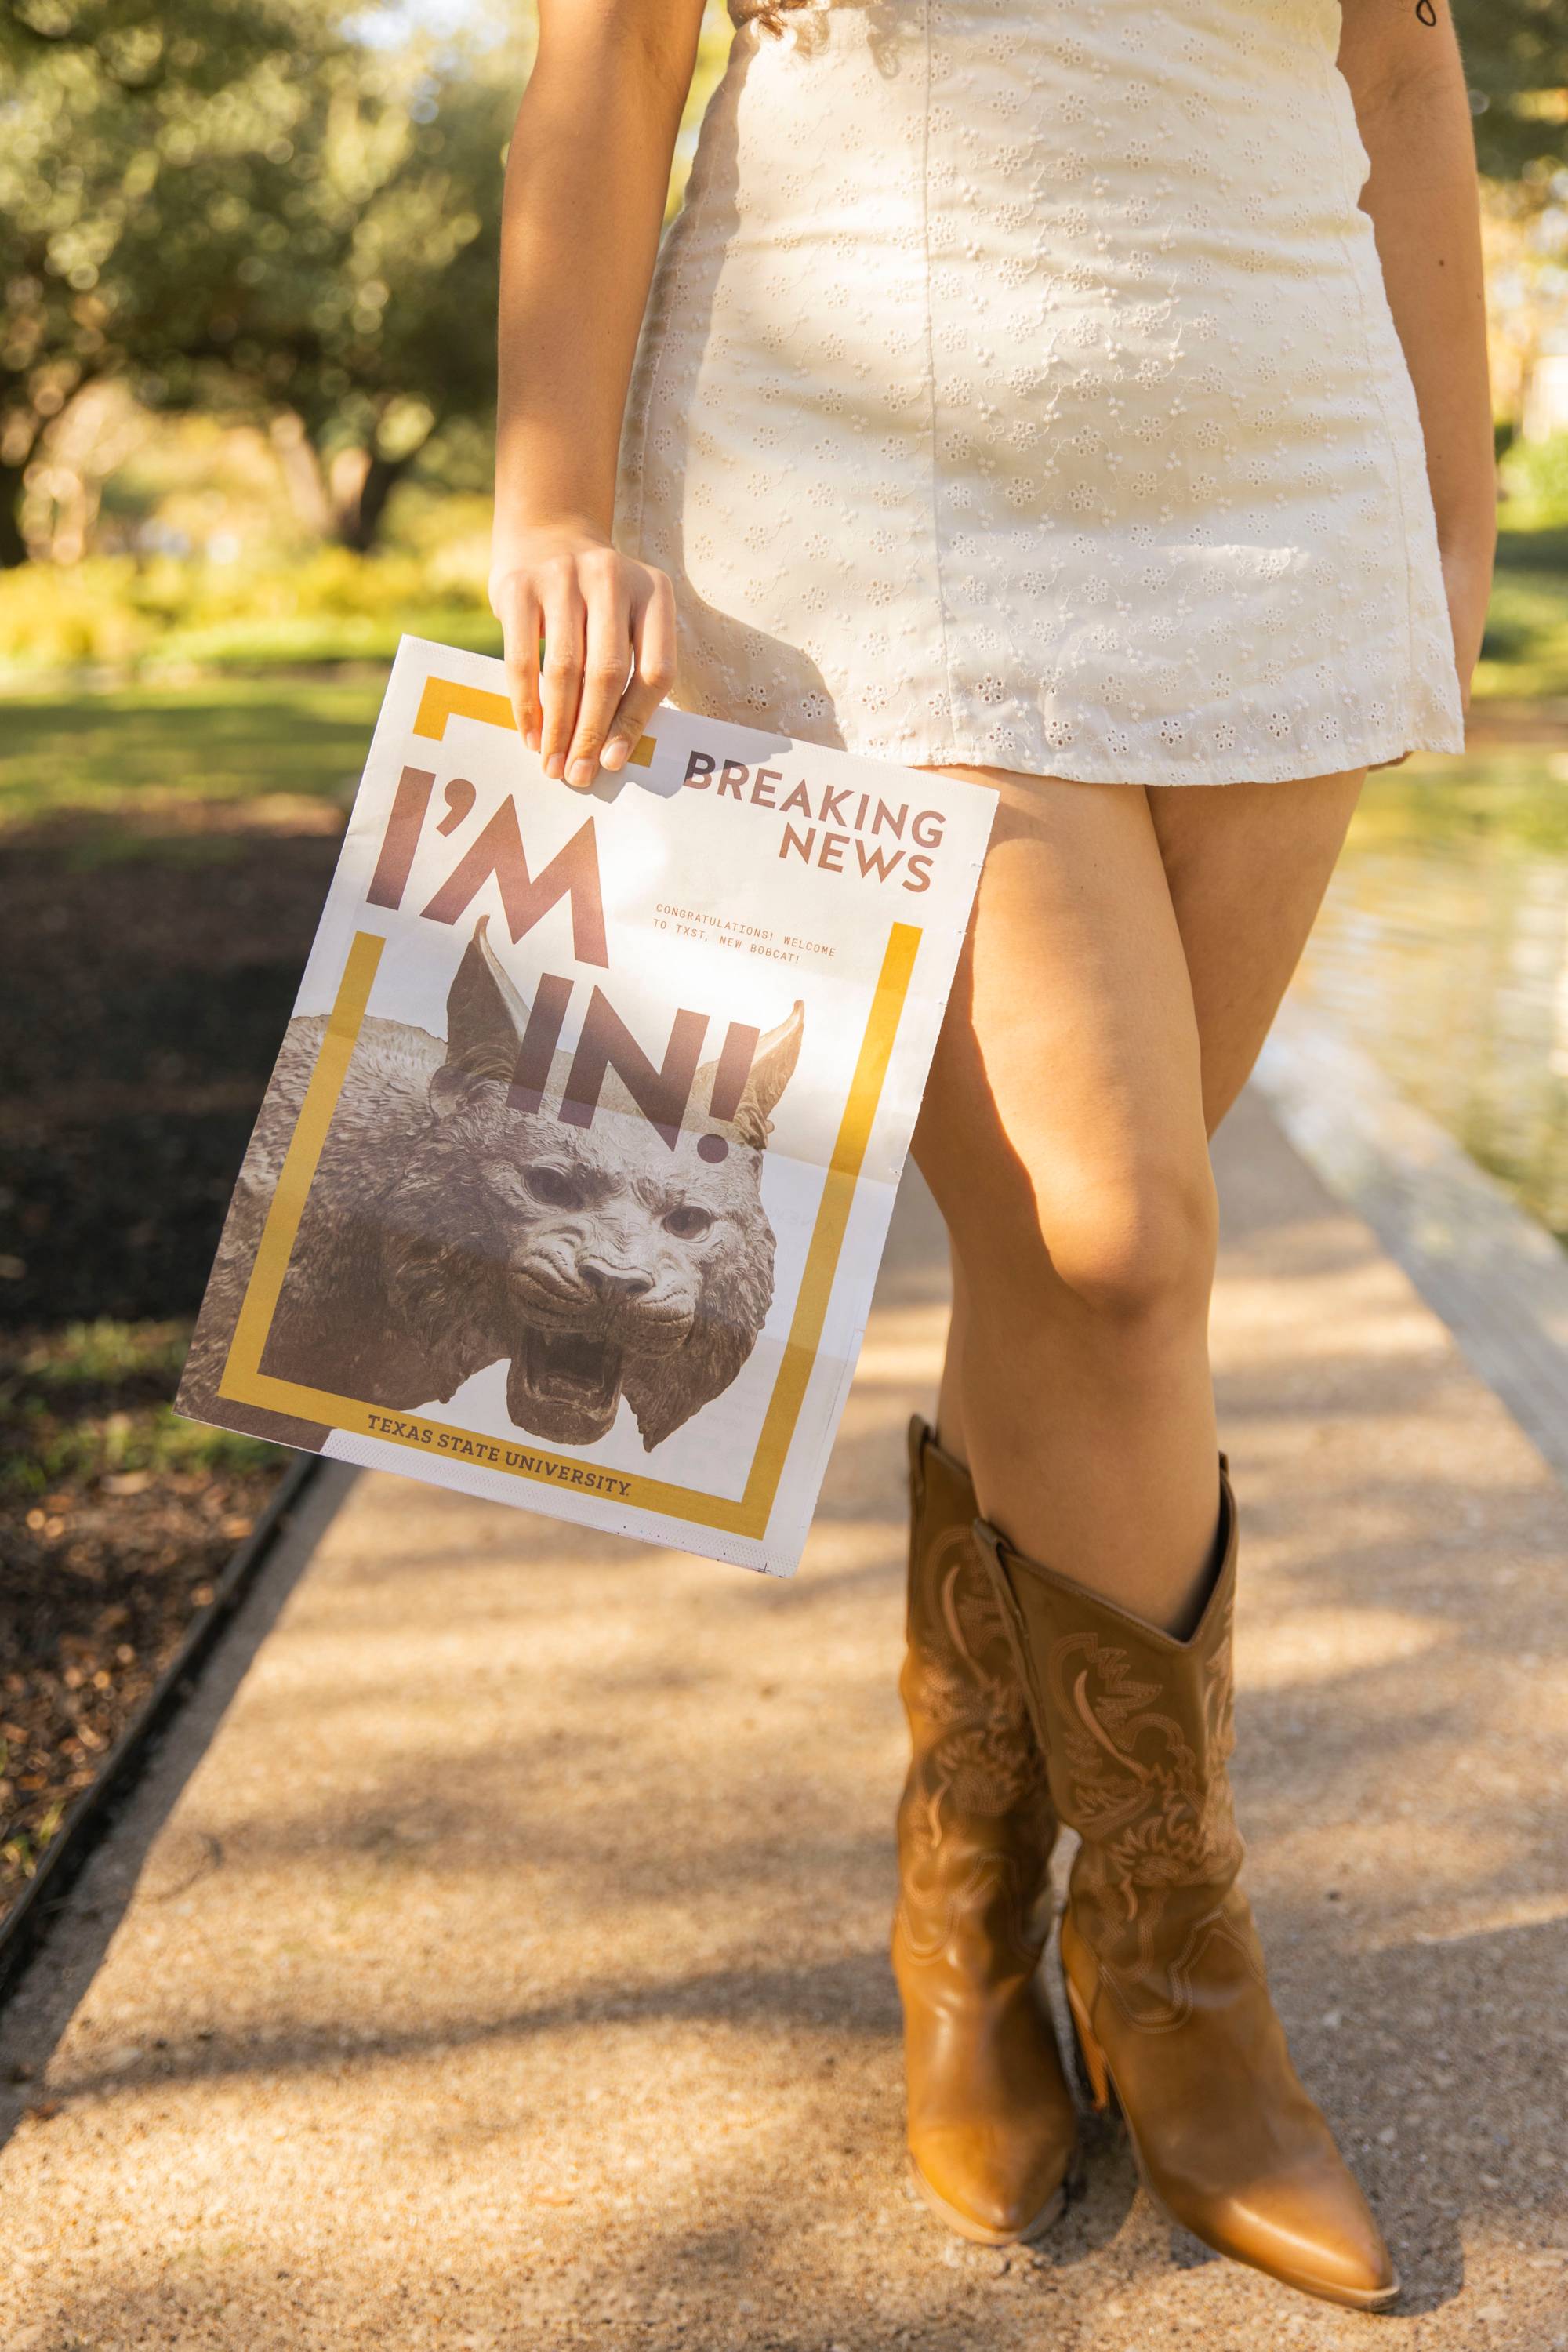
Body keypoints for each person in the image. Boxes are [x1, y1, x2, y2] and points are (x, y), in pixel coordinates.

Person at [488, 0, 1494, 2310]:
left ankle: (972, 1907)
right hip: (879, 480)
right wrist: (550, 506)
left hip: (1279, 460)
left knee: (1068, 1277)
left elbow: (1409, 62)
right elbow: (608, 58)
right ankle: (1182, 1982)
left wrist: (1455, 498)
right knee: (1119, 1237)